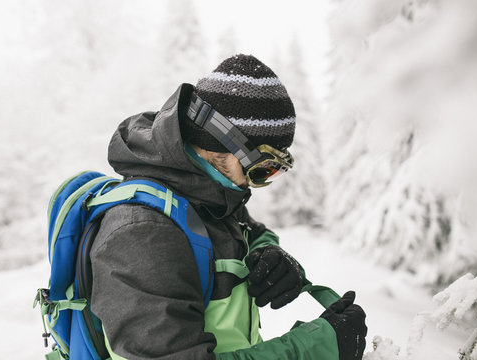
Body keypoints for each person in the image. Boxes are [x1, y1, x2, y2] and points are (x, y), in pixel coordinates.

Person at [89, 54, 367, 360]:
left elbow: (246, 230)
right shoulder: (141, 233)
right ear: (222, 141)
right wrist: (314, 349)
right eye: (264, 168)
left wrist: (268, 253)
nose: (256, 184)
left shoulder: (208, 194)